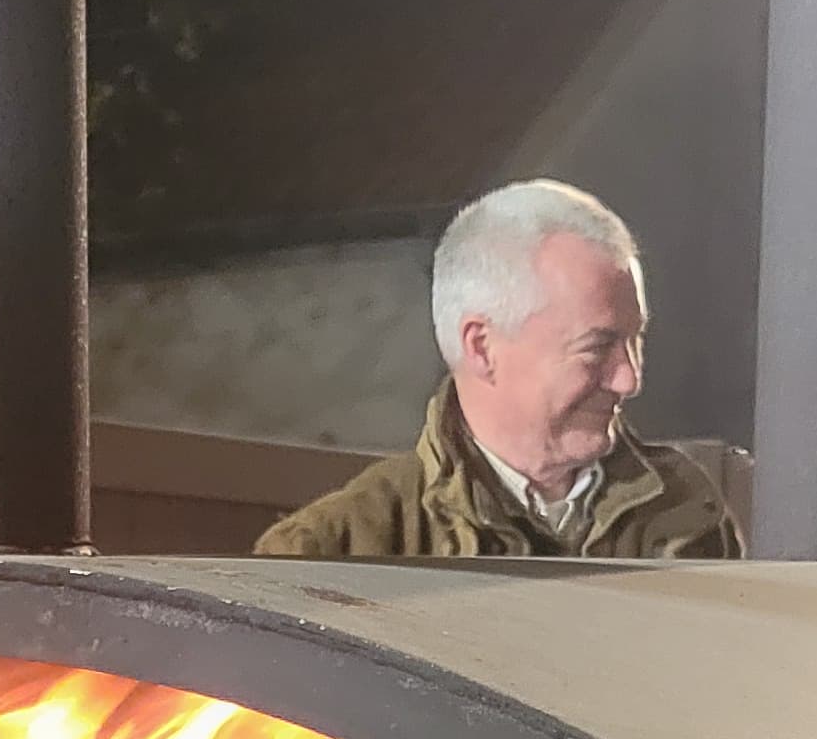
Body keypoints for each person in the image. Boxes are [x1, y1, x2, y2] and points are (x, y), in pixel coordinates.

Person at [252, 178, 743, 563]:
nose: (629, 379)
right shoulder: (334, 551)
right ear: (482, 347)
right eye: (597, 348)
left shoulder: (685, 512)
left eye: (635, 340)